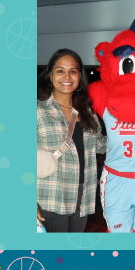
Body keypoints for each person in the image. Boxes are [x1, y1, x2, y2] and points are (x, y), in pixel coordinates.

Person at [37, 48, 106, 233]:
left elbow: (101, 146)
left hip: (83, 195)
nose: (67, 76)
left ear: (79, 77)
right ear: (50, 76)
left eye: (73, 71)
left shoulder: (87, 110)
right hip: (50, 195)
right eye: (60, 70)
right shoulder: (37, 109)